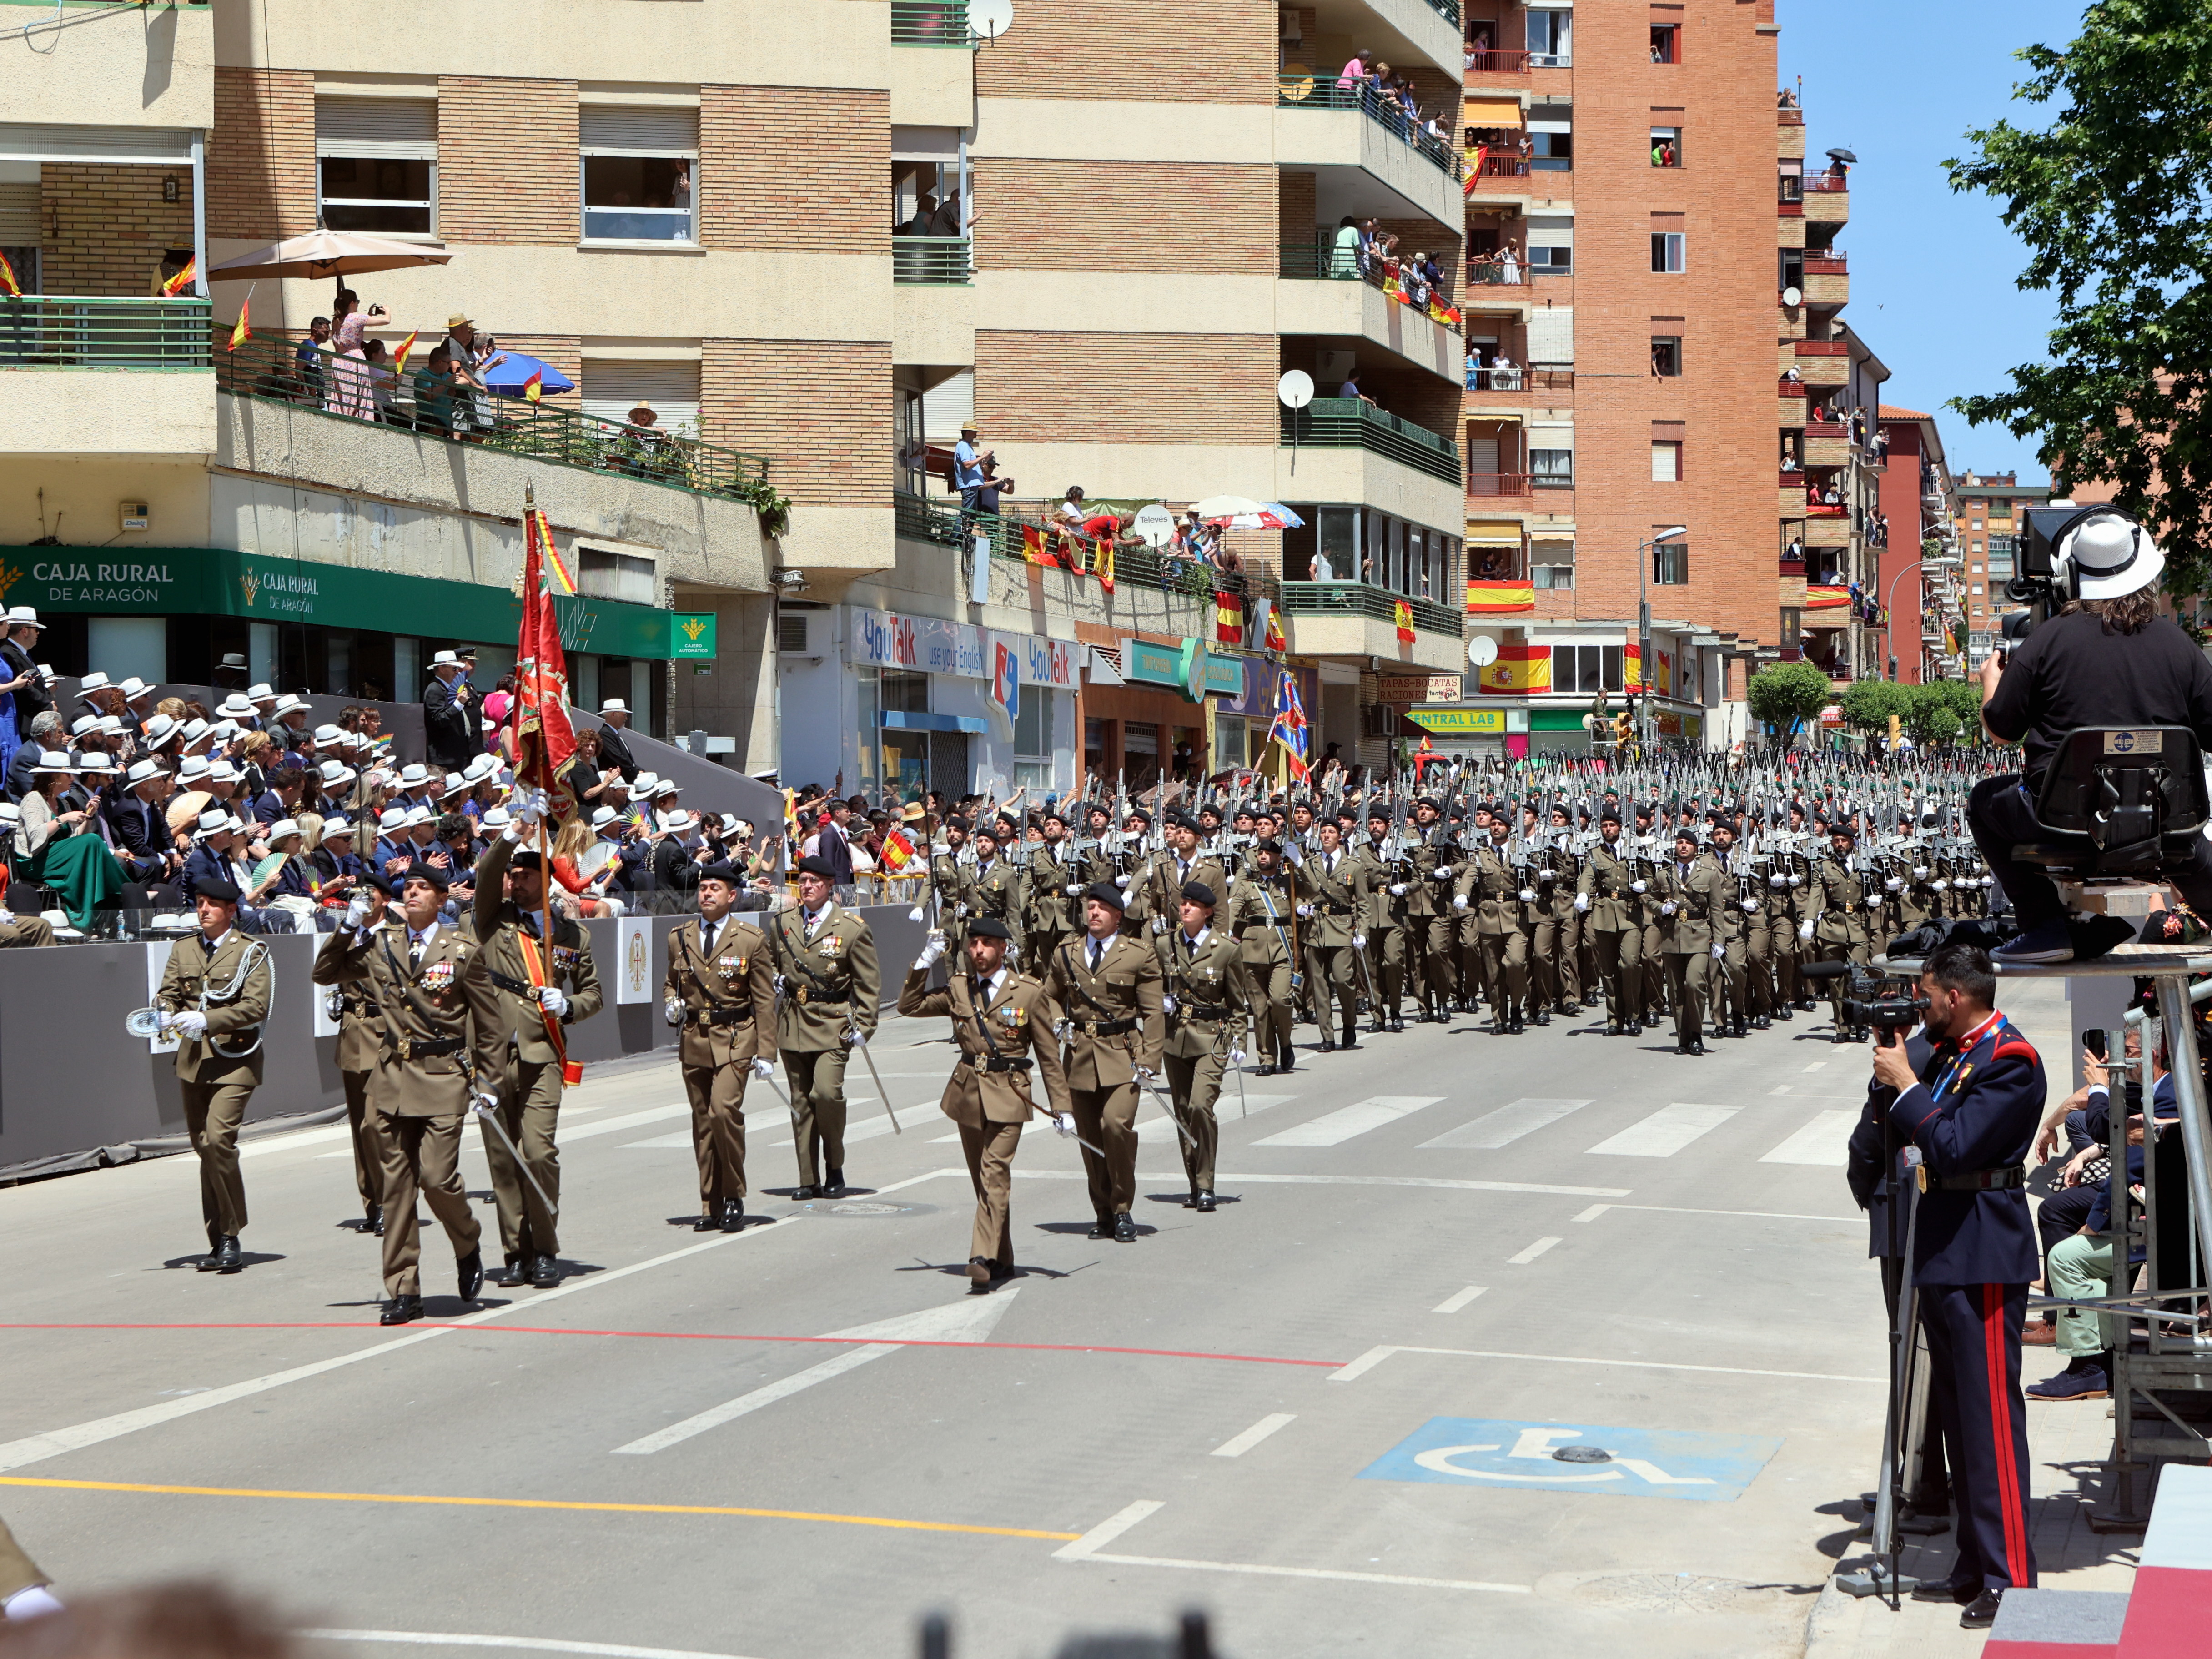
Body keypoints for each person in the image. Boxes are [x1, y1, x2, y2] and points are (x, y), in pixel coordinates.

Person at [1869, 941, 2043, 1628]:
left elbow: (1952, 1145)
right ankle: (1974, 1563)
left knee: (1991, 1422)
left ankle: (2011, 1578)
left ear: (1957, 997)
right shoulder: (1952, 1050)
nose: (1923, 1005)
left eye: (1928, 995)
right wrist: (1894, 1062)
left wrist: (1907, 1090)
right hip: (1945, 1241)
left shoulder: (2009, 1060)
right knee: (1960, 1418)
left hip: (1984, 1249)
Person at [1970, 510, 2212, 962]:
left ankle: (2044, 929)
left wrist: (1991, 682)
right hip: (2162, 825)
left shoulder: (2048, 639)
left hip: (2060, 824)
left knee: (1984, 802)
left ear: (2069, 576)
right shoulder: (2179, 645)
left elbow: (2001, 730)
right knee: (2190, 843)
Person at [313, 864, 500, 1325]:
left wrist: (489, 1082)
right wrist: (349, 924)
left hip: (442, 1076)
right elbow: (325, 972)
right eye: (408, 888)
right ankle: (403, 1288)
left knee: (437, 1178)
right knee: (395, 1189)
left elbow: (491, 1026)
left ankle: (466, 1238)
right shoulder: (382, 946)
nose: (412, 893)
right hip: (393, 1077)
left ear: (441, 899)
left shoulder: (463, 950)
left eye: (422, 888)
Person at [471, 799, 604, 1290]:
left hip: (542, 1054)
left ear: (545, 879)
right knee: (502, 1159)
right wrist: (515, 831)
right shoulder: (491, 920)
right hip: (491, 1055)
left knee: (538, 1152)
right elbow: (486, 872)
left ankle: (545, 1248)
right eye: (514, 874)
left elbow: (594, 995)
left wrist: (567, 1007)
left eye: (528, 874)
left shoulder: (570, 934)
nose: (518, 880)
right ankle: (515, 1252)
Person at [900, 916, 1075, 1290]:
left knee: (994, 1173)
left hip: (1010, 1092)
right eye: (973, 944)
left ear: (1002, 948)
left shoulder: (1028, 992)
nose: (978, 951)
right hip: (968, 1093)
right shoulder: (960, 988)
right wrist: (924, 961)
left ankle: (980, 1256)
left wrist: (1063, 1107)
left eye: (986, 944)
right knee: (984, 1182)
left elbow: (1048, 1055)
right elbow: (909, 1006)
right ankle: (1003, 1257)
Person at [153, 877, 273, 1274]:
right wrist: (163, 1010)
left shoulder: (252, 953)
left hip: (235, 1059)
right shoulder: (183, 948)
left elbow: (256, 1006)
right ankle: (219, 1236)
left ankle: (231, 1234)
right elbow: (168, 991)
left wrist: (207, 1018)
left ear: (231, 910)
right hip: (194, 1061)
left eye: (212, 904)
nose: (203, 910)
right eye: (200, 903)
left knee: (220, 1140)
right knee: (205, 1147)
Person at [1040, 884, 1163, 1242]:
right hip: (1079, 1054)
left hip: (1123, 1054)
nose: (1093, 913)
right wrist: (1057, 1021)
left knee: (1116, 1126)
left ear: (1117, 916)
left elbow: (1154, 1012)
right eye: (1089, 907)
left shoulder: (1138, 954)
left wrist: (1150, 1059)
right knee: (1090, 1137)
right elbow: (1048, 995)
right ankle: (1103, 1212)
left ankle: (1123, 1206)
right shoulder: (1068, 952)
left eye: (1101, 908)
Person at [663, 862, 778, 1232]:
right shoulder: (679, 937)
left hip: (735, 1038)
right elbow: (671, 983)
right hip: (695, 1037)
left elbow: (764, 1000)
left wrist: (766, 1052)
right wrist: (671, 1002)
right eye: (704, 888)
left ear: (732, 896)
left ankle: (733, 1195)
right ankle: (710, 1202)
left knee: (722, 1113)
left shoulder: (749, 939)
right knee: (702, 1123)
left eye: (716, 888)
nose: (707, 894)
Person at [769, 854, 880, 1199]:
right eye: (802, 881)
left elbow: (868, 982)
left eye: (815, 882)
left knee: (827, 1094)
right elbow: (770, 962)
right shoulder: (782, 923)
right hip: (792, 1021)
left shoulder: (850, 927)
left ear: (830, 886)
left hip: (833, 1021)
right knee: (801, 1103)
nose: (807, 887)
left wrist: (865, 1023)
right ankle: (807, 1178)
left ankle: (834, 1165)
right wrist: (772, 980)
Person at [1158, 881, 1252, 1212]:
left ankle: (1207, 1183)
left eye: (1193, 905)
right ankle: (1194, 1184)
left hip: (1213, 1038)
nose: (1185, 909)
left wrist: (1240, 1039)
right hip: (1175, 1038)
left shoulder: (1226, 948)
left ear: (1208, 912)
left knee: (1200, 1106)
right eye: (1183, 903)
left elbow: (1238, 1002)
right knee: (1184, 1113)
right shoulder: (1164, 944)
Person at [422, 649, 477, 772]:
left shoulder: (448, 688)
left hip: (457, 755)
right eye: (454, 669)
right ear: (442, 669)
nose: (458, 672)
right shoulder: (435, 689)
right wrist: (458, 704)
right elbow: (440, 719)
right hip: (444, 757)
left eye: (458, 669)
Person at [594, 699, 639, 781]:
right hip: (616, 785)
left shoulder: (614, 734)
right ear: (614, 714)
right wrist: (637, 772)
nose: (626, 719)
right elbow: (619, 759)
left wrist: (638, 770)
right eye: (624, 715)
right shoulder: (605, 734)